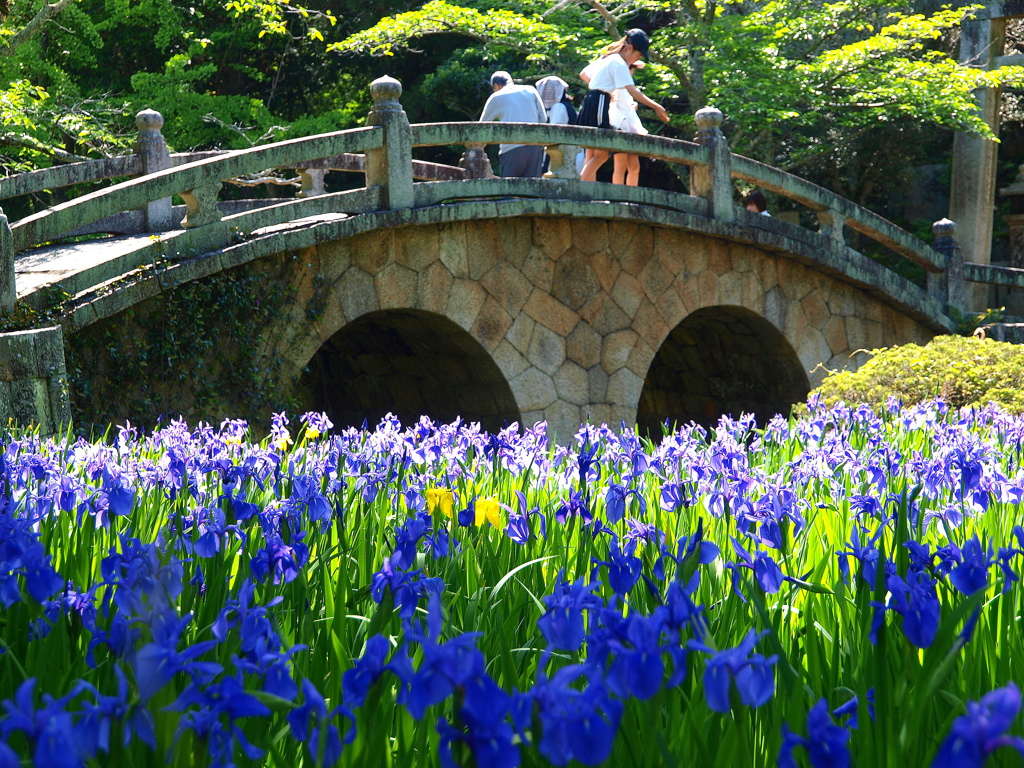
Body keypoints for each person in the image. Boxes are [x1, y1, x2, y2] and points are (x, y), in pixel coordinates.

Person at [576, 29, 668, 183]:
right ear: (629, 48)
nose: (635, 60)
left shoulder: (610, 58)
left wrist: (604, 91)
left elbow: (587, 76)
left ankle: (582, 187)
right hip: (598, 103)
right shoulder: (619, 63)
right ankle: (579, 188)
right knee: (600, 154)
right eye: (637, 56)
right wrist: (657, 107)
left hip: (595, 100)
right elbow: (632, 90)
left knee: (598, 153)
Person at [479, 70, 548, 178]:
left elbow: (481, 126)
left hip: (511, 148)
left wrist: (479, 148)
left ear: (496, 85)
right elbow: (543, 118)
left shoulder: (496, 96)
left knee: (509, 189)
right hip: (535, 147)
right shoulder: (531, 90)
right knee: (530, 190)